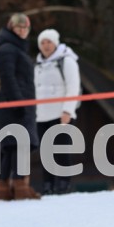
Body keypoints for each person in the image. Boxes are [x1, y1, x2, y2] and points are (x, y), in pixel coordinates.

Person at [0, 13, 40, 200]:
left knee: (12, 146)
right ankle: (20, 186)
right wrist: (18, 102)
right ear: (11, 28)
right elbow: (8, 78)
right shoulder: (8, 49)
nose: (22, 30)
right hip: (14, 103)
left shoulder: (16, 48)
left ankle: (5, 188)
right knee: (19, 144)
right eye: (18, 27)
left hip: (18, 102)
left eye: (25, 28)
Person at [34, 28, 80, 194]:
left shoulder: (66, 61)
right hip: (42, 115)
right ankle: (48, 184)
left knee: (61, 149)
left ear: (56, 43)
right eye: (43, 43)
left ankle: (63, 183)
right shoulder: (38, 65)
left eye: (49, 42)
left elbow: (73, 86)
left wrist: (68, 110)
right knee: (46, 151)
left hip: (61, 114)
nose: (46, 46)